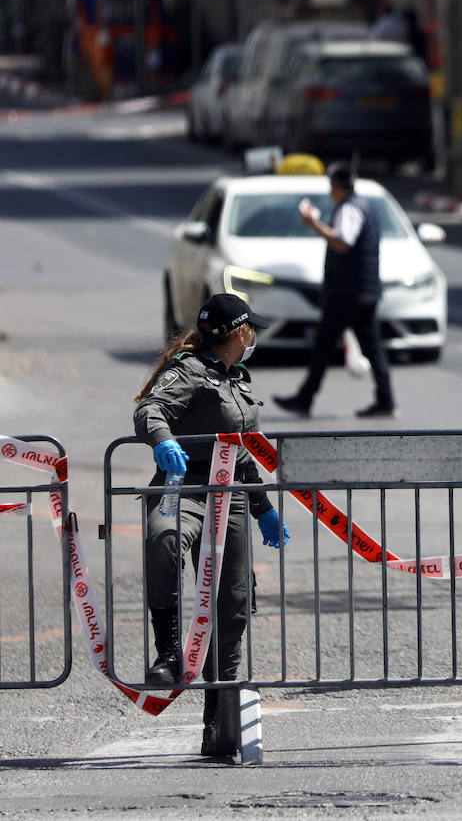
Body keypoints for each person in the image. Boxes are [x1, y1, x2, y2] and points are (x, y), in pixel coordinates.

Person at [134, 293, 291, 757]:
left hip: (234, 496)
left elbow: (242, 450)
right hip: (183, 486)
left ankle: (218, 724)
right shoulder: (188, 371)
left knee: (233, 605)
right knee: (162, 538)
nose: (255, 336)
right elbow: (149, 411)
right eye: (252, 329)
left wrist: (262, 505)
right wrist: (162, 442)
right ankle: (168, 653)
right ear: (239, 332)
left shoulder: (239, 378)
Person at [274, 163, 395, 418]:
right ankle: (385, 399)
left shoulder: (350, 208)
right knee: (371, 346)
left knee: (325, 345)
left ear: (337, 188)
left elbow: (341, 242)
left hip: (347, 293)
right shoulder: (362, 205)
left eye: (331, 188)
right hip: (363, 291)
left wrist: (312, 223)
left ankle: (305, 398)